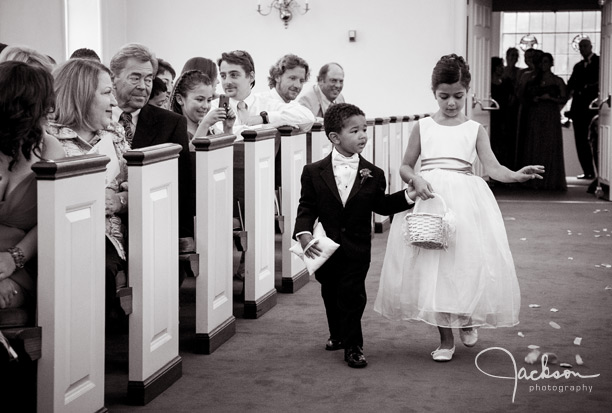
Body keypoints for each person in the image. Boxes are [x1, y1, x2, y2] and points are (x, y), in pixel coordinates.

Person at [374, 54, 544, 362]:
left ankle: (466, 317)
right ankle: (445, 339)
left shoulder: (474, 129)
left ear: (468, 91)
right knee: (433, 268)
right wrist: (417, 179)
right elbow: (404, 166)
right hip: (432, 200)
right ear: (434, 93)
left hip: (466, 202)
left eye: (458, 96)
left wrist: (516, 175)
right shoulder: (423, 126)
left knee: (464, 263)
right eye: (444, 96)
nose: (451, 103)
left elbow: (492, 168)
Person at [293, 103, 416, 368]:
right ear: (335, 138)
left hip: (357, 247)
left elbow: (381, 206)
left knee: (353, 295)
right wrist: (302, 233)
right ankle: (337, 334)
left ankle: (353, 346)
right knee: (330, 291)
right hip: (327, 246)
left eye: (365, 129)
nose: (363, 135)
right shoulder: (313, 172)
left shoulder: (374, 174)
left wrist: (408, 196)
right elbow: (307, 207)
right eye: (355, 130)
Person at [46, 58, 130, 322]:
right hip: (62, 232)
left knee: (101, 264)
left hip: (111, 236)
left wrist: (119, 201)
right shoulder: (49, 137)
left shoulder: (115, 134)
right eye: (106, 93)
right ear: (81, 95)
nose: (115, 102)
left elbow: (141, 185)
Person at [0, 61, 65, 316]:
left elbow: (56, 219)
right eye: (44, 103)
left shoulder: (49, 149)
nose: (51, 109)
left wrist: (13, 258)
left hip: (25, 262)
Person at [109, 43, 194, 246]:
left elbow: (182, 186)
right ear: (113, 78)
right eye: (135, 77)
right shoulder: (97, 119)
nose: (143, 86)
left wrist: (182, 237)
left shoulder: (171, 123)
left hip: (153, 228)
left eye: (148, 79)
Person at [213, 50, 314, 137]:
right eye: (223, 76)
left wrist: (265, 118)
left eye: (234, 75)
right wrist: (267, 127)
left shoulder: (267, 103)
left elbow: (308, 117)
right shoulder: (213, 106)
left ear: (251, 77)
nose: (227, 82)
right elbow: (221, 134)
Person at [519, 52, 568, 190]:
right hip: (535, 115)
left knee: (550, 145)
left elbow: (564, 98)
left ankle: (551, 180)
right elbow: (523, 96)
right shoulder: (532, 79)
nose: (544, 65)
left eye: (546, 62)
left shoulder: (557, 80)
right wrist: (533, 99)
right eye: (542, 62)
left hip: (551, 115)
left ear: (551, 63)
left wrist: (551, 98)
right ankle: (533, 180)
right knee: (535, 145)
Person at [170, 69, 235, 141]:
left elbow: (225, 151)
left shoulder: (212, 130)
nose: (205, 106)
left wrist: (228, 128)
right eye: (200, 100)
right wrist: (205, 124)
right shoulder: (174, 130)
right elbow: (189, 151)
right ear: (180, 99)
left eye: (209, 100)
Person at [567, 38, 599, 180]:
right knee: (580, 141)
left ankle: (599, 174)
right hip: (578, 111)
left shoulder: (600, 62)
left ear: (591, 47)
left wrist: (587, 88)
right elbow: (571, 85)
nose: (583, 49)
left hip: (592, 110)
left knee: (595, 141)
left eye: (585, 46)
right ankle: (588, 171)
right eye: (581, 47)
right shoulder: (578, 66)